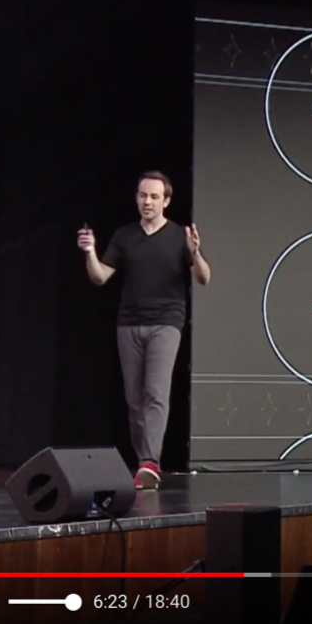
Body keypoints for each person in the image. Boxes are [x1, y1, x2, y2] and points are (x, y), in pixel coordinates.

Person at [77, 171, 211, 490]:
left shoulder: (179, 236)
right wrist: (90, 252)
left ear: (166, 201)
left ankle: (150, 461)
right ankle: (144, 465)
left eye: (153, 196)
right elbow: (100, 277)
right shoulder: (125, 236)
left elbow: (204, 277)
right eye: (142, 195)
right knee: (134, 399)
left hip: (166, 323)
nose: (147, 202)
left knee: (155, 393)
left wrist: (194, 251)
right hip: (129, 324)